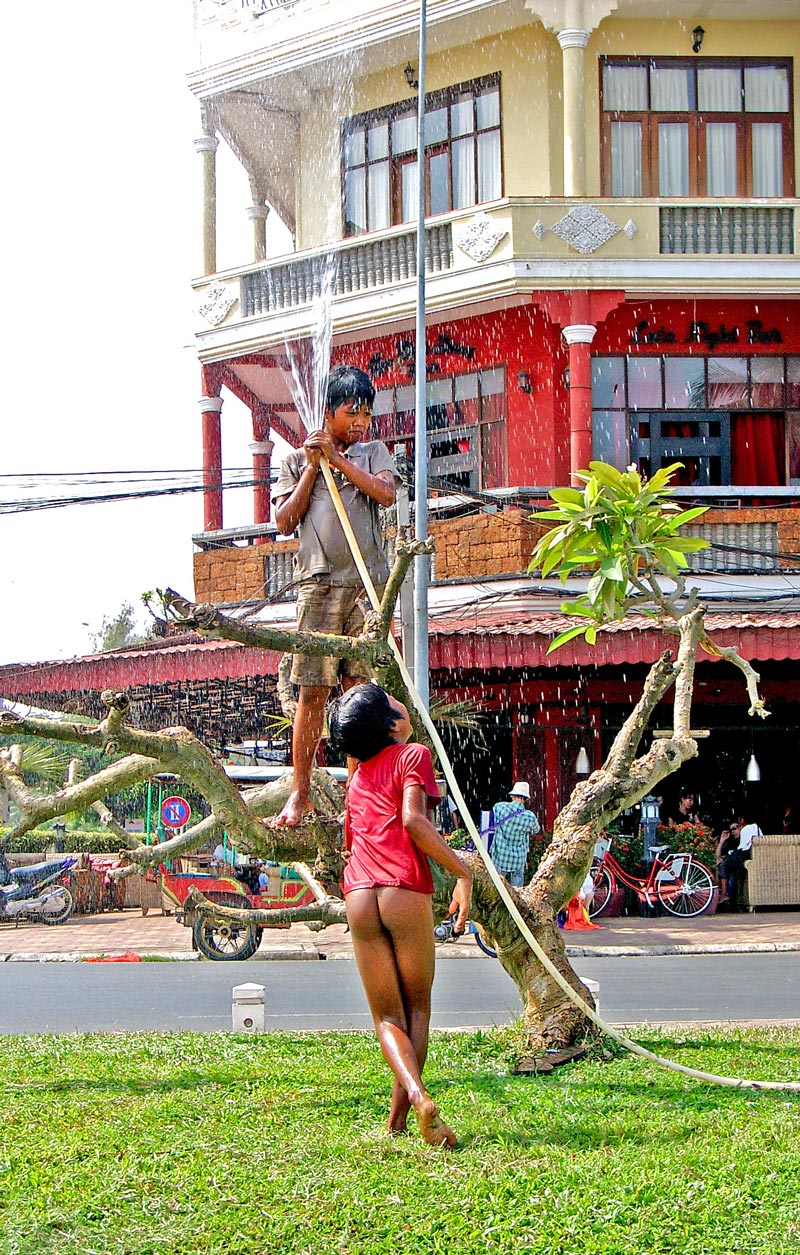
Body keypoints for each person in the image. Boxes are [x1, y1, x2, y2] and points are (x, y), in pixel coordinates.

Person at [329, 682, 472, 1147]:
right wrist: (462, 872)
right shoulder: (412, 754)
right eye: (391, 700)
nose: (400, 701)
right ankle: (420, 1097)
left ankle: (400, 1119)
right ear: (392, 725)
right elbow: (414, 821)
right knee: (417, 1009)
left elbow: (349, 839)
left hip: (359, 894)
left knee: (387, 1017)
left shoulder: (357, 775)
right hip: (402, 887)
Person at [272, 364, 401, 827]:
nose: (361, 422)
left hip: (368, 587)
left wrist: (341, 461)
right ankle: (300, 792)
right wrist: (314, 466)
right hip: (321, 585)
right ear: (328, 412)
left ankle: (359, 795)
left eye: (367, 413)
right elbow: (285, 522)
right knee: (313, 691)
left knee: (361, 694)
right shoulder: (294, 461)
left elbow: (386, 494)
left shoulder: (372, 453)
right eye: (352, 412)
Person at [486, 782, 541, 888]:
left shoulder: (499, 807)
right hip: (518, 860)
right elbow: (536, 830)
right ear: (526, 798)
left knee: (497, 890)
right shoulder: (530, 817)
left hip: (500, 856)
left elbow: (492, 818)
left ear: (512, 795)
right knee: (517, 892)